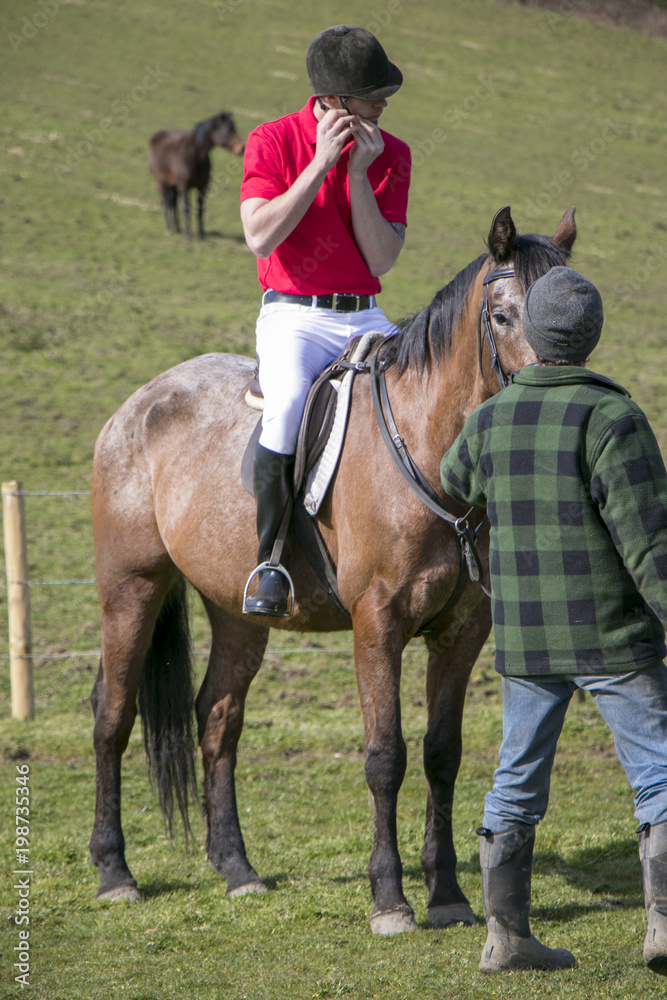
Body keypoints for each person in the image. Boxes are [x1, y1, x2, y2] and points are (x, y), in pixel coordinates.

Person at [440, 266, 667, 975]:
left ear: (531, 335)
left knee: (514, 779)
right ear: (591, 337)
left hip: (526, 640)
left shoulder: (490, 417)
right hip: (613, 638)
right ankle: (662, 928)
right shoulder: (614, 418)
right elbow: (649, 545)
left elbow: (452, 483)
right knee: (659, 773)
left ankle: (504, 938)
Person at [239, 24, 411, 617]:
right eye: (372, 94)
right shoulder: (272, 139)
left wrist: (358, 174)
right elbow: (259, 235)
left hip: (364, 313)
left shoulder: (392, 155)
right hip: (293, 318)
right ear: (334, 102)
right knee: (286, 405)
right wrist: (317, 166)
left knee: (431, 387)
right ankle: (270, 563)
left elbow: (383, 258)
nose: (384, 103)